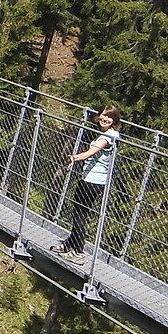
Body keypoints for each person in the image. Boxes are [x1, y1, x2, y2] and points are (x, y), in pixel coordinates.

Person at [61, 106, 121, 256]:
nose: (104, 119)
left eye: (109, 117)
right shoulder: (112, 134)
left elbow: (91, 152)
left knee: (80, 215)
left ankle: (78, 251)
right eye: (102, 115)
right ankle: (69, 244)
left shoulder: (108, 137)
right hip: (94, 180)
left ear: (114, 120)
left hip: (92, 181)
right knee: (80, 212)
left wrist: (74, 158)